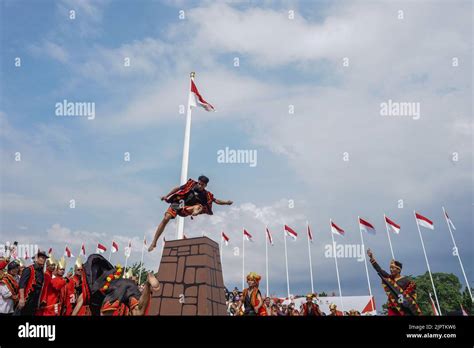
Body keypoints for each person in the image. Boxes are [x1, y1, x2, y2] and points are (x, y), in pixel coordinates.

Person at [148, 175, 233, 252]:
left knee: (199, 206)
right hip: (178, 203)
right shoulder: (191, 184)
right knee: (166, 218)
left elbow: (216, 200)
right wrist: (167, 196)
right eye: (199, 184)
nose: (200, 186)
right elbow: (177, 188)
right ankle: (154, 242)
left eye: (202, 185)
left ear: (205, 186)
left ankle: (196, 211)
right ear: (198, 182)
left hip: (187, 209)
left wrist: (226, 202)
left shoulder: (206, 194)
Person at [72, 254, 160, 316]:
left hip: (117, 290)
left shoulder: (91, 288)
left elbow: (78, 305)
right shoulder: (102, 281)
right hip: (129, 285)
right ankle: (147, 285)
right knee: (138, 313)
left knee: (103, 313)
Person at [367, 249, 422, 316]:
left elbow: (410, 296)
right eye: (390, 268)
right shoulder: (390, 278)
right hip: (392, 307)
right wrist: (372, 258)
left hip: (403, 308)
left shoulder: (406, 281)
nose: (391, 269)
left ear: (398, 270)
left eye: (393, 268)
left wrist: (401, 302)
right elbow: (380, 270)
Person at [17, 250, 47, 315]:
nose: (44, 260)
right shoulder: (28, 269)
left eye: (45, 258)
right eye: (42, 257)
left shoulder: (41, 272)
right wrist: (21, 299)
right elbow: (22, 285)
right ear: (36, 258)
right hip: (27, 299)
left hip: (35, 301)